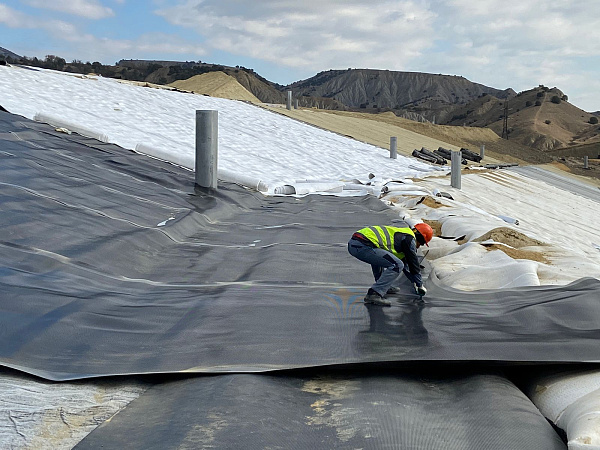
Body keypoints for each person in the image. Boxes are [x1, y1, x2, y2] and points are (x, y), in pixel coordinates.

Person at [348, 222, 433, 306]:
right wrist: (420, 285)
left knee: (382, 258)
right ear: (421, 238)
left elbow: (407, 265)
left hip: (356, 243)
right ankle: (374, 294)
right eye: (421, 244)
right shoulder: (409, 240)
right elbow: (412, 264)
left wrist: (416, 283)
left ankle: (382, 286)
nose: (418, 247)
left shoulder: (403, 235)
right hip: (363, 245)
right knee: (397, 265)